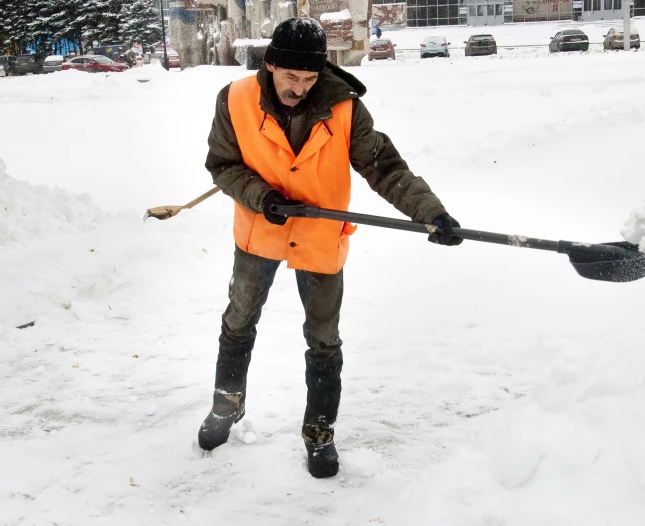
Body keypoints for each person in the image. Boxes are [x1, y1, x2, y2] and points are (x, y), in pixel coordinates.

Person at [198, 17, 462, 478]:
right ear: (271, 65)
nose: (299, 88)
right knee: (238, 321)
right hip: (260, 229)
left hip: (320, 237)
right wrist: (264, 197)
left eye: (309, 79)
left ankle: (319, 431)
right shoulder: (235, 99)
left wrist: (430, 213)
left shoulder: (345, 109)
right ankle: (226, 406)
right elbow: (222, 164)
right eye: (290, 77)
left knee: (323, 338)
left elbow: (385, 168)